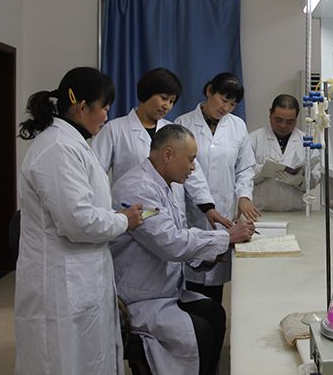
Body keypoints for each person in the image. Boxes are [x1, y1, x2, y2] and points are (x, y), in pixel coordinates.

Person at [15, 67, 144, 375]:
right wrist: (123, 221)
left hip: (80, 276)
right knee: (61, 360)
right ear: (82, 107)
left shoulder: (72, 143)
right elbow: (78, 221)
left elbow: (84, 209)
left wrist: (116, 218)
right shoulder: (57, 148)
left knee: (86, 357)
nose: (106, 117)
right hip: (61, 283)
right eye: (104, 109)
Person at [111, 124, 255, 375]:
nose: (193, 167)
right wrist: (225, 238)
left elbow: (176, 238)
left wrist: (209, 256)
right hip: (141, 298)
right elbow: (170, 243)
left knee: (215, 313)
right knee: (201, 331)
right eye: (190, 159)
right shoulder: (138, 188)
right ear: (168, 155)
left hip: (163, 289)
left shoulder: (163, 185)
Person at [91, 67, 231, 229]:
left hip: (170, 214)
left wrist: (208, 207)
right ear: (147, 93)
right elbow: (95, 173)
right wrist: (103, 213)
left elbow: (193, 172)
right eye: (163, 98)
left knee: (173, 239)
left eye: (172, 101)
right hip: (134, 213)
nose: (167, 106)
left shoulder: (174, 131)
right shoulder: (115, 130)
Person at [175, 72, 261, 303]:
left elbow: (245, 167)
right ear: (209, 91)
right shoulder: (183, 124)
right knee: (189, 282)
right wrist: (205, 204)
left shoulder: (238, 126)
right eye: (223, 100)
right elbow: (184, 171)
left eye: (232, 104)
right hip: (193, 213)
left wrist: (244, 196)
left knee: (215, 288)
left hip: (224, 211)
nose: (226, 108)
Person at [249, 94, 322, 211]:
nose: (283, 126)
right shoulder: (254, 139)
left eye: (289, 122)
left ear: (296, 119)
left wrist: (299, 181)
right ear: (270, 114)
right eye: (278, 120)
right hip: (261, 212)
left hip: (296, 212)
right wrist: (263, 171)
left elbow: (316, 178)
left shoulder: (306, 141)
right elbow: (243, 177)